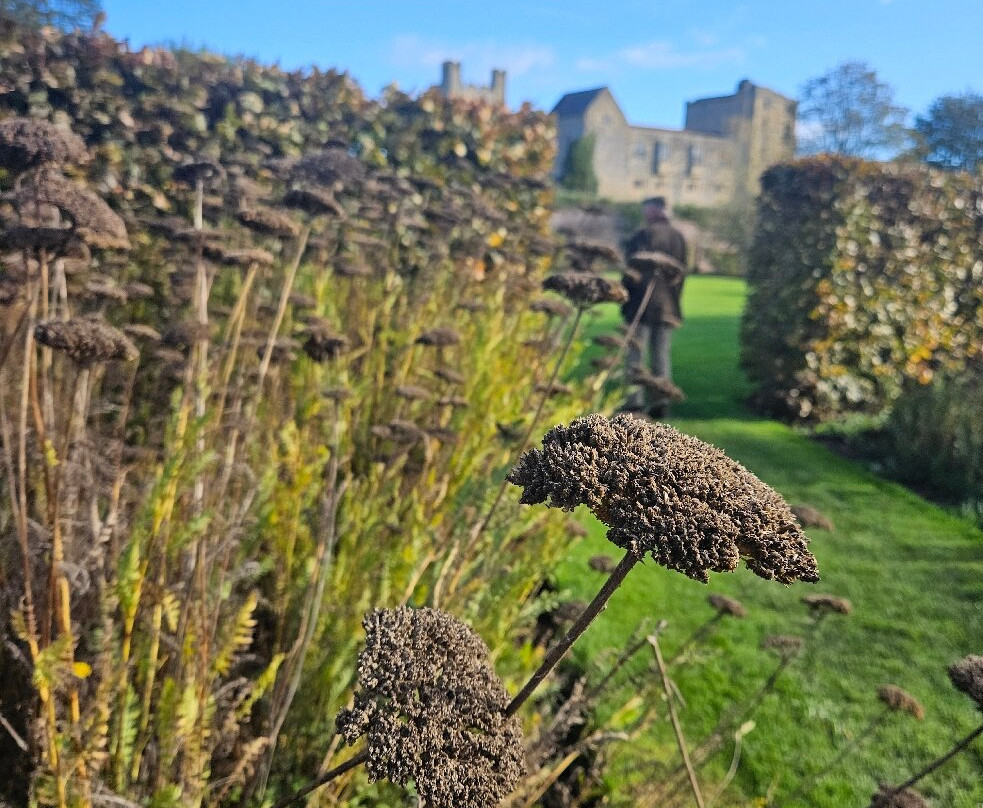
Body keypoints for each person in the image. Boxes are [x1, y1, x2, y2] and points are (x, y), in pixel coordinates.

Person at [621, 196, 688, 416]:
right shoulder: (679, 238)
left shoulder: (643, 235)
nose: (644, 214)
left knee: (635, 355)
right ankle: (660, 402)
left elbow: (631, 270)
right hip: (668, 306)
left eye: (646, 209)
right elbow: (681, 273)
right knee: (661, 355)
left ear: (654, 210)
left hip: (640, 303)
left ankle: (634, 402)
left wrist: (625, 295)